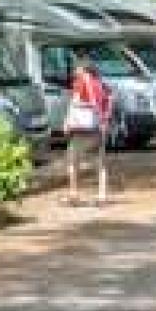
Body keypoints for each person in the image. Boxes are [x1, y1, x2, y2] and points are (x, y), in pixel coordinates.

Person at [64, 58, 111, 206]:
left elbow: (74, 103)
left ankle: (74, 194)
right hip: (98, 127)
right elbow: (108, 102)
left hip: (82, 129)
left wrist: (67, 122)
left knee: (72, 161)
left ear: (83, 69)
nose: (74, 71)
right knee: (101, 164)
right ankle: (102, 195)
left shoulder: (80, 82)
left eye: (76, 68)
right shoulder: (101, 84)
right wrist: (104, 121)